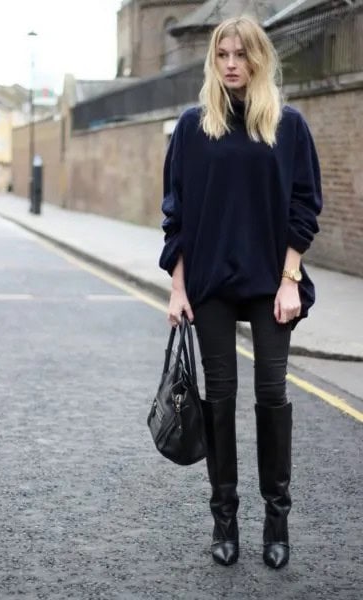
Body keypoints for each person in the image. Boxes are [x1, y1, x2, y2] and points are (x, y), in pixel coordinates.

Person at [158, 15, 322, 570]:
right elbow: (175, 213)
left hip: (270, 281)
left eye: (241, 54)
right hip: (209, 284)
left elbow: (304, 204)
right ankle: (223, 518)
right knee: (220, 397)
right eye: (222, 54)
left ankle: (276, 519)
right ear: (213, 60)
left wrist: (290, 278)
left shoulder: (288, 126)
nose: (231, 63)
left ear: (258, 59)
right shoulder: (191, 127)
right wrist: (178, 286)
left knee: (272, 394)